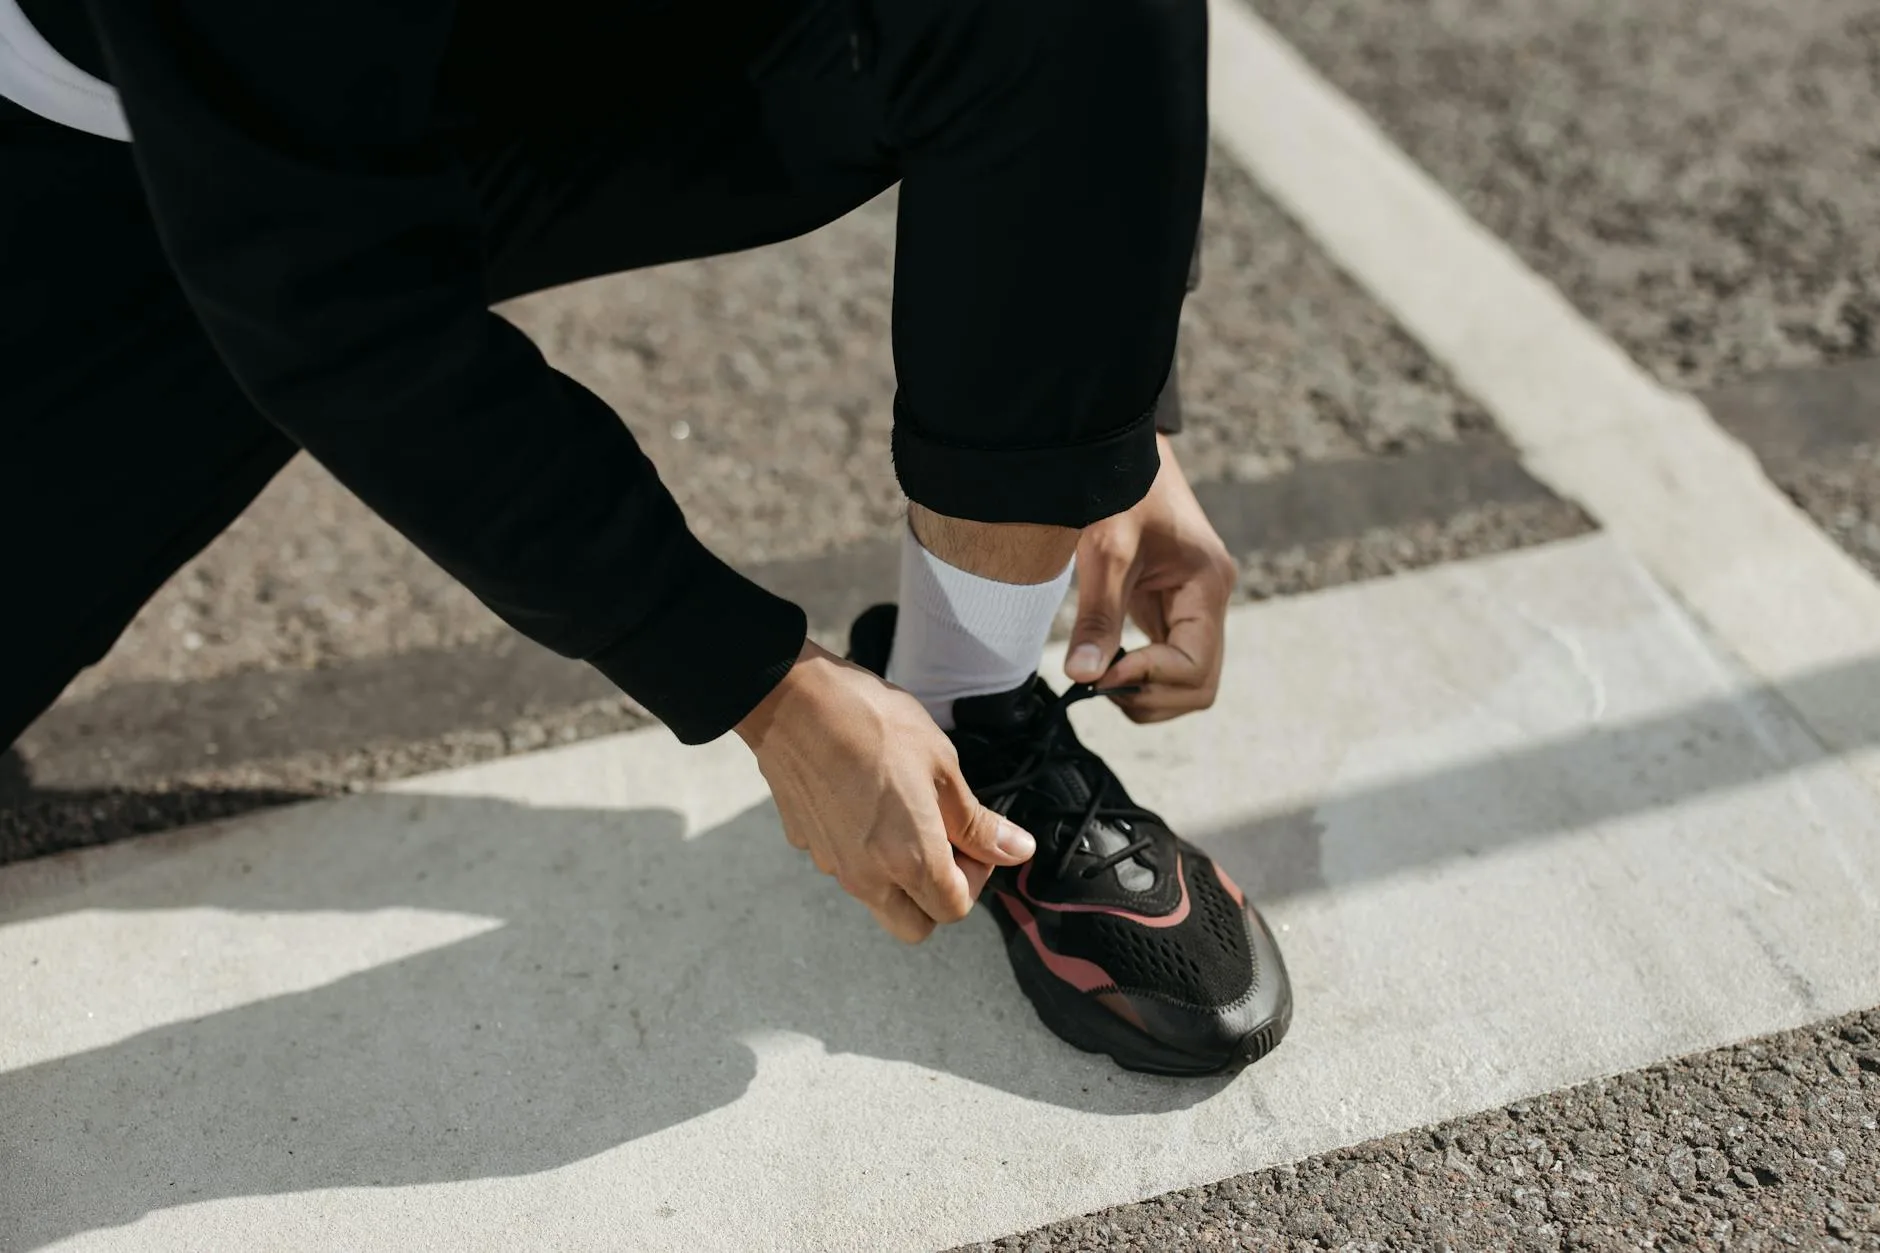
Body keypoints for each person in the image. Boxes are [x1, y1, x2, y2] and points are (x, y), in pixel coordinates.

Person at [0, 0, 1291, 1075]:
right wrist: (761, 689)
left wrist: (1108, 424)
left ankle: (974, 706)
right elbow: (334, 308)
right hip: (165, 144)